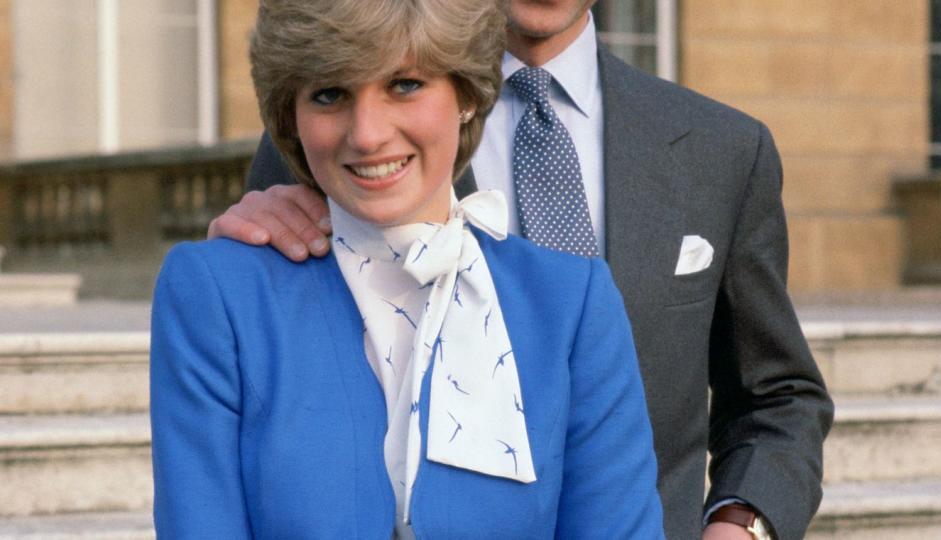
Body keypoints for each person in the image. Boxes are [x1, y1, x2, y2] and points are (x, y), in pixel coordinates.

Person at [210, 1, 835, 539]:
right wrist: (248, 250)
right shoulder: (350, 133)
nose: (368, 125)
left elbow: (776, 395)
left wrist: (742, 520)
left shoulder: (724, 150)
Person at [150, 0, 664, 538]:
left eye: (404, 85)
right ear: (291, 118)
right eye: (330, 94)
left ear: (465, 95)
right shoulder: (218, 294)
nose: (368, 134)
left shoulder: (572, 304)